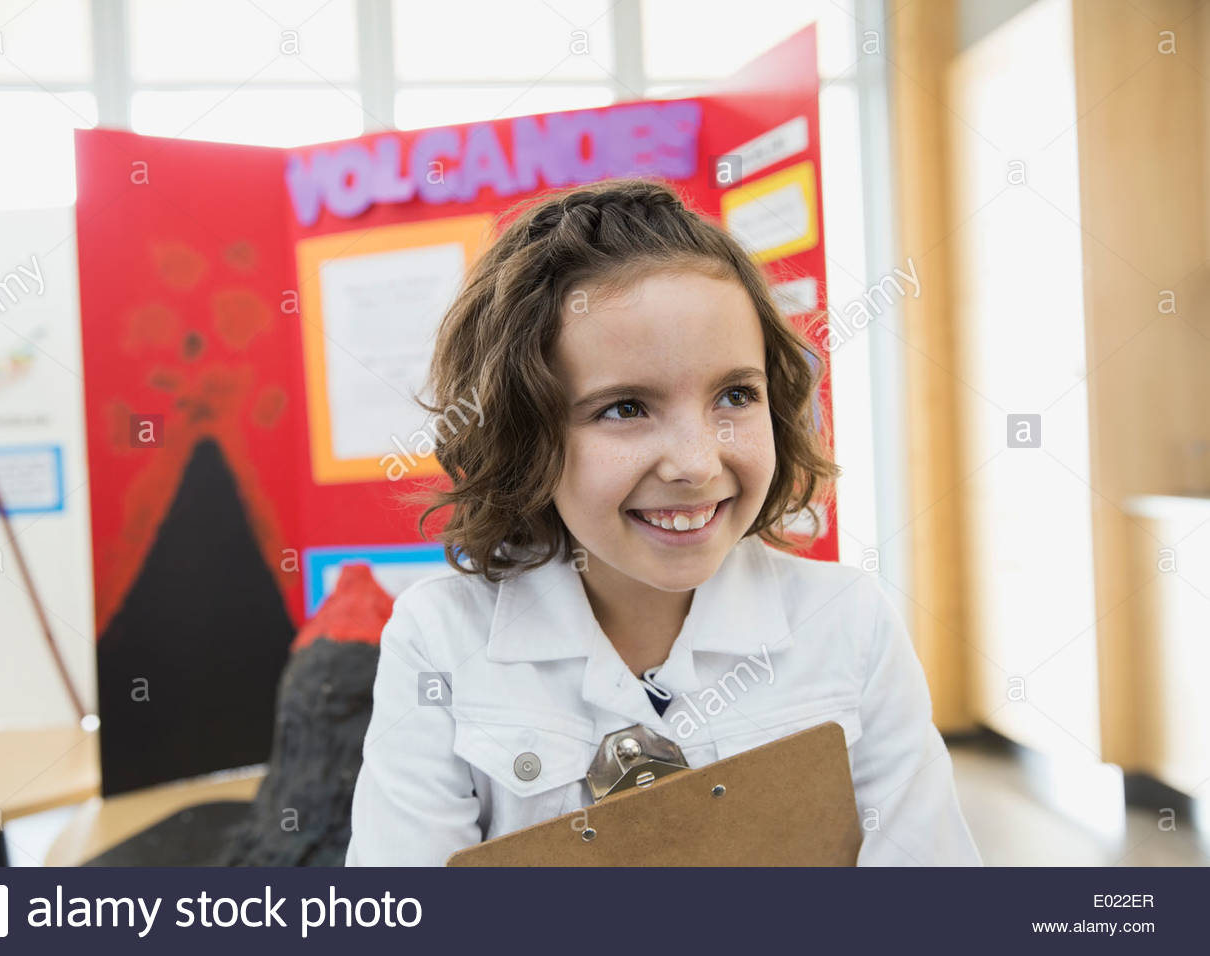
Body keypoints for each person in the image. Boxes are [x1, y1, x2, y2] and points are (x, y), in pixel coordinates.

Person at [344, 178, 981, 866]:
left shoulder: (850, 623)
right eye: (625, 408)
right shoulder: (440, 640)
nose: (696, 463)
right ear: (524, 435)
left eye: (735, 395)